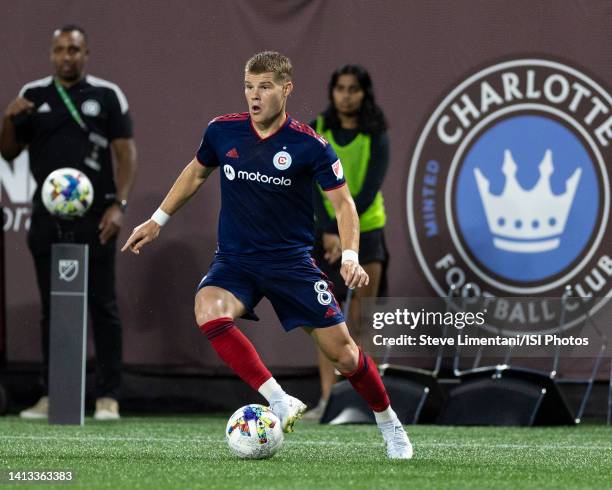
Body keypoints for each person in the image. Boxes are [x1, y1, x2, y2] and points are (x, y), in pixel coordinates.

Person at [122, 51, 412, 459]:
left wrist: (349, 255)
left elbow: (345, 205)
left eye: (265, 87)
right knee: (207, 309)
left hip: (291, 264)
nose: (254, 96)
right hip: (236, 261)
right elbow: (196, 172)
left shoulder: (310, 145)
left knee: (345, 355)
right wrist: (157, 220)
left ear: (286, 89)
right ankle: (278, 399)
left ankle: (390, 425)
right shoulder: (222, 132)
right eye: (248, 86)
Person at [0, 25, 138, 420]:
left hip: (98, 217)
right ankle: (52, 393)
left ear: (86, 53)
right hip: (47, 218)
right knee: (53, 306)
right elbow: (8, 151)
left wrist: (120, 205)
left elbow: (126, 154)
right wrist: (9, 119)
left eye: (74, 49)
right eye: (60, 49)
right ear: (51, 53)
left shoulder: (107, 95)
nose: (67, 56)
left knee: (103, 305)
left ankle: (108, 394)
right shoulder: (33, 95)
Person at [304, 65, 390, 421]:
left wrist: (345, 236)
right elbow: (307, 183)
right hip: (322, 232)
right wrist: (328, 230)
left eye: (353, 89)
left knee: (362, 321)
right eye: (340, 88)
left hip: (366, 233)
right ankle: (328, 402)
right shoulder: (317, 129)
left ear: (363, 93)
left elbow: (367, 193)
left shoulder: (376, 135)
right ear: (332, 91)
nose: (346, 95)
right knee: (326, 320)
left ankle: (370, 404)